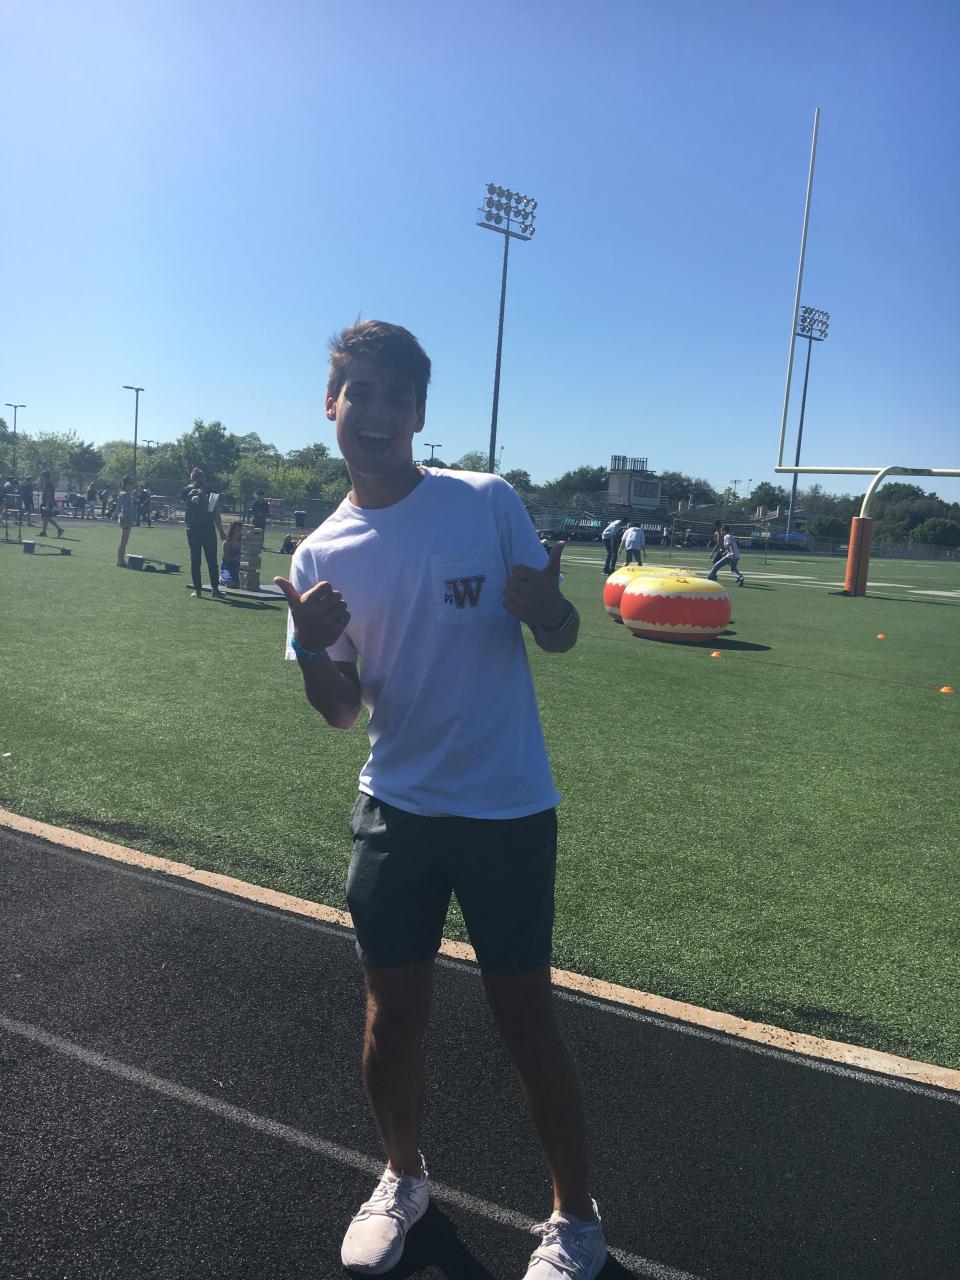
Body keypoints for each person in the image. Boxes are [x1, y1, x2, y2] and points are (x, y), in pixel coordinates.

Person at [275, 321, 607, 1280]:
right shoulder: (319, 555)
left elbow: (561, 633)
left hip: (507, 808)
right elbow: (342, 711)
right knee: (391, 1017)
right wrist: (312, 648)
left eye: (397, 396)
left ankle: (576, 1221)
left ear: (420, 414)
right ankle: (402, 1179)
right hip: (396, 810)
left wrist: (550, 611)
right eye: (360, 392)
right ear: (331, 404)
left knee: (526, 1021)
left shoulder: (485, 500)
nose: (376, 412)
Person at [182, 467, 227, 599]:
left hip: (192, 529)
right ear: (203, 477)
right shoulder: (211, 490)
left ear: (192, 477)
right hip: (208, 528)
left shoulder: (185, 490)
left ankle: (198, 590)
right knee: (212, 560)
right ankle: (215, 589)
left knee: (195, 560)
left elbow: (187, 509)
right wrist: (221, 531)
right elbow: (215, 512)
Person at [115, 476, 135, 566]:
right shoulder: (126, 494)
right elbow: (125, 509)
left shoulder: (122, 493)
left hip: (124, 518)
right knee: (123, 542)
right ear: (126, 484)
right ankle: (120, 561)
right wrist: (128, 520)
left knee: (124, 542)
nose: (132, 485)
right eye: (131, 483)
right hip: (126, 518)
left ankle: (121, 561)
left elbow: (118, 508)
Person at [38, 472, 64, 538]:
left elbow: (49, 494)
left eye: (42, 476)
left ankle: (44, 532)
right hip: (47, 503)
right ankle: (59, 529)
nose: (41, 477)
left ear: (45, 476)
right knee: (47, 517)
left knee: (45, 517)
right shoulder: (47, 483)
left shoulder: (48, 484)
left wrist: (47, 504)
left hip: (47, 503)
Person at [219, 520, 243, 587]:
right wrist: (237, 558)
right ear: (232, 530)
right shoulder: (227, 543)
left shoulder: (243, 542)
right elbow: (226, 560)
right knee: (230, 583)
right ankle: (222, 577)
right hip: (228, 566)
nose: (240, 532)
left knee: (244, 582)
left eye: (241, 530)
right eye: (237, 530)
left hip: (239, 566)